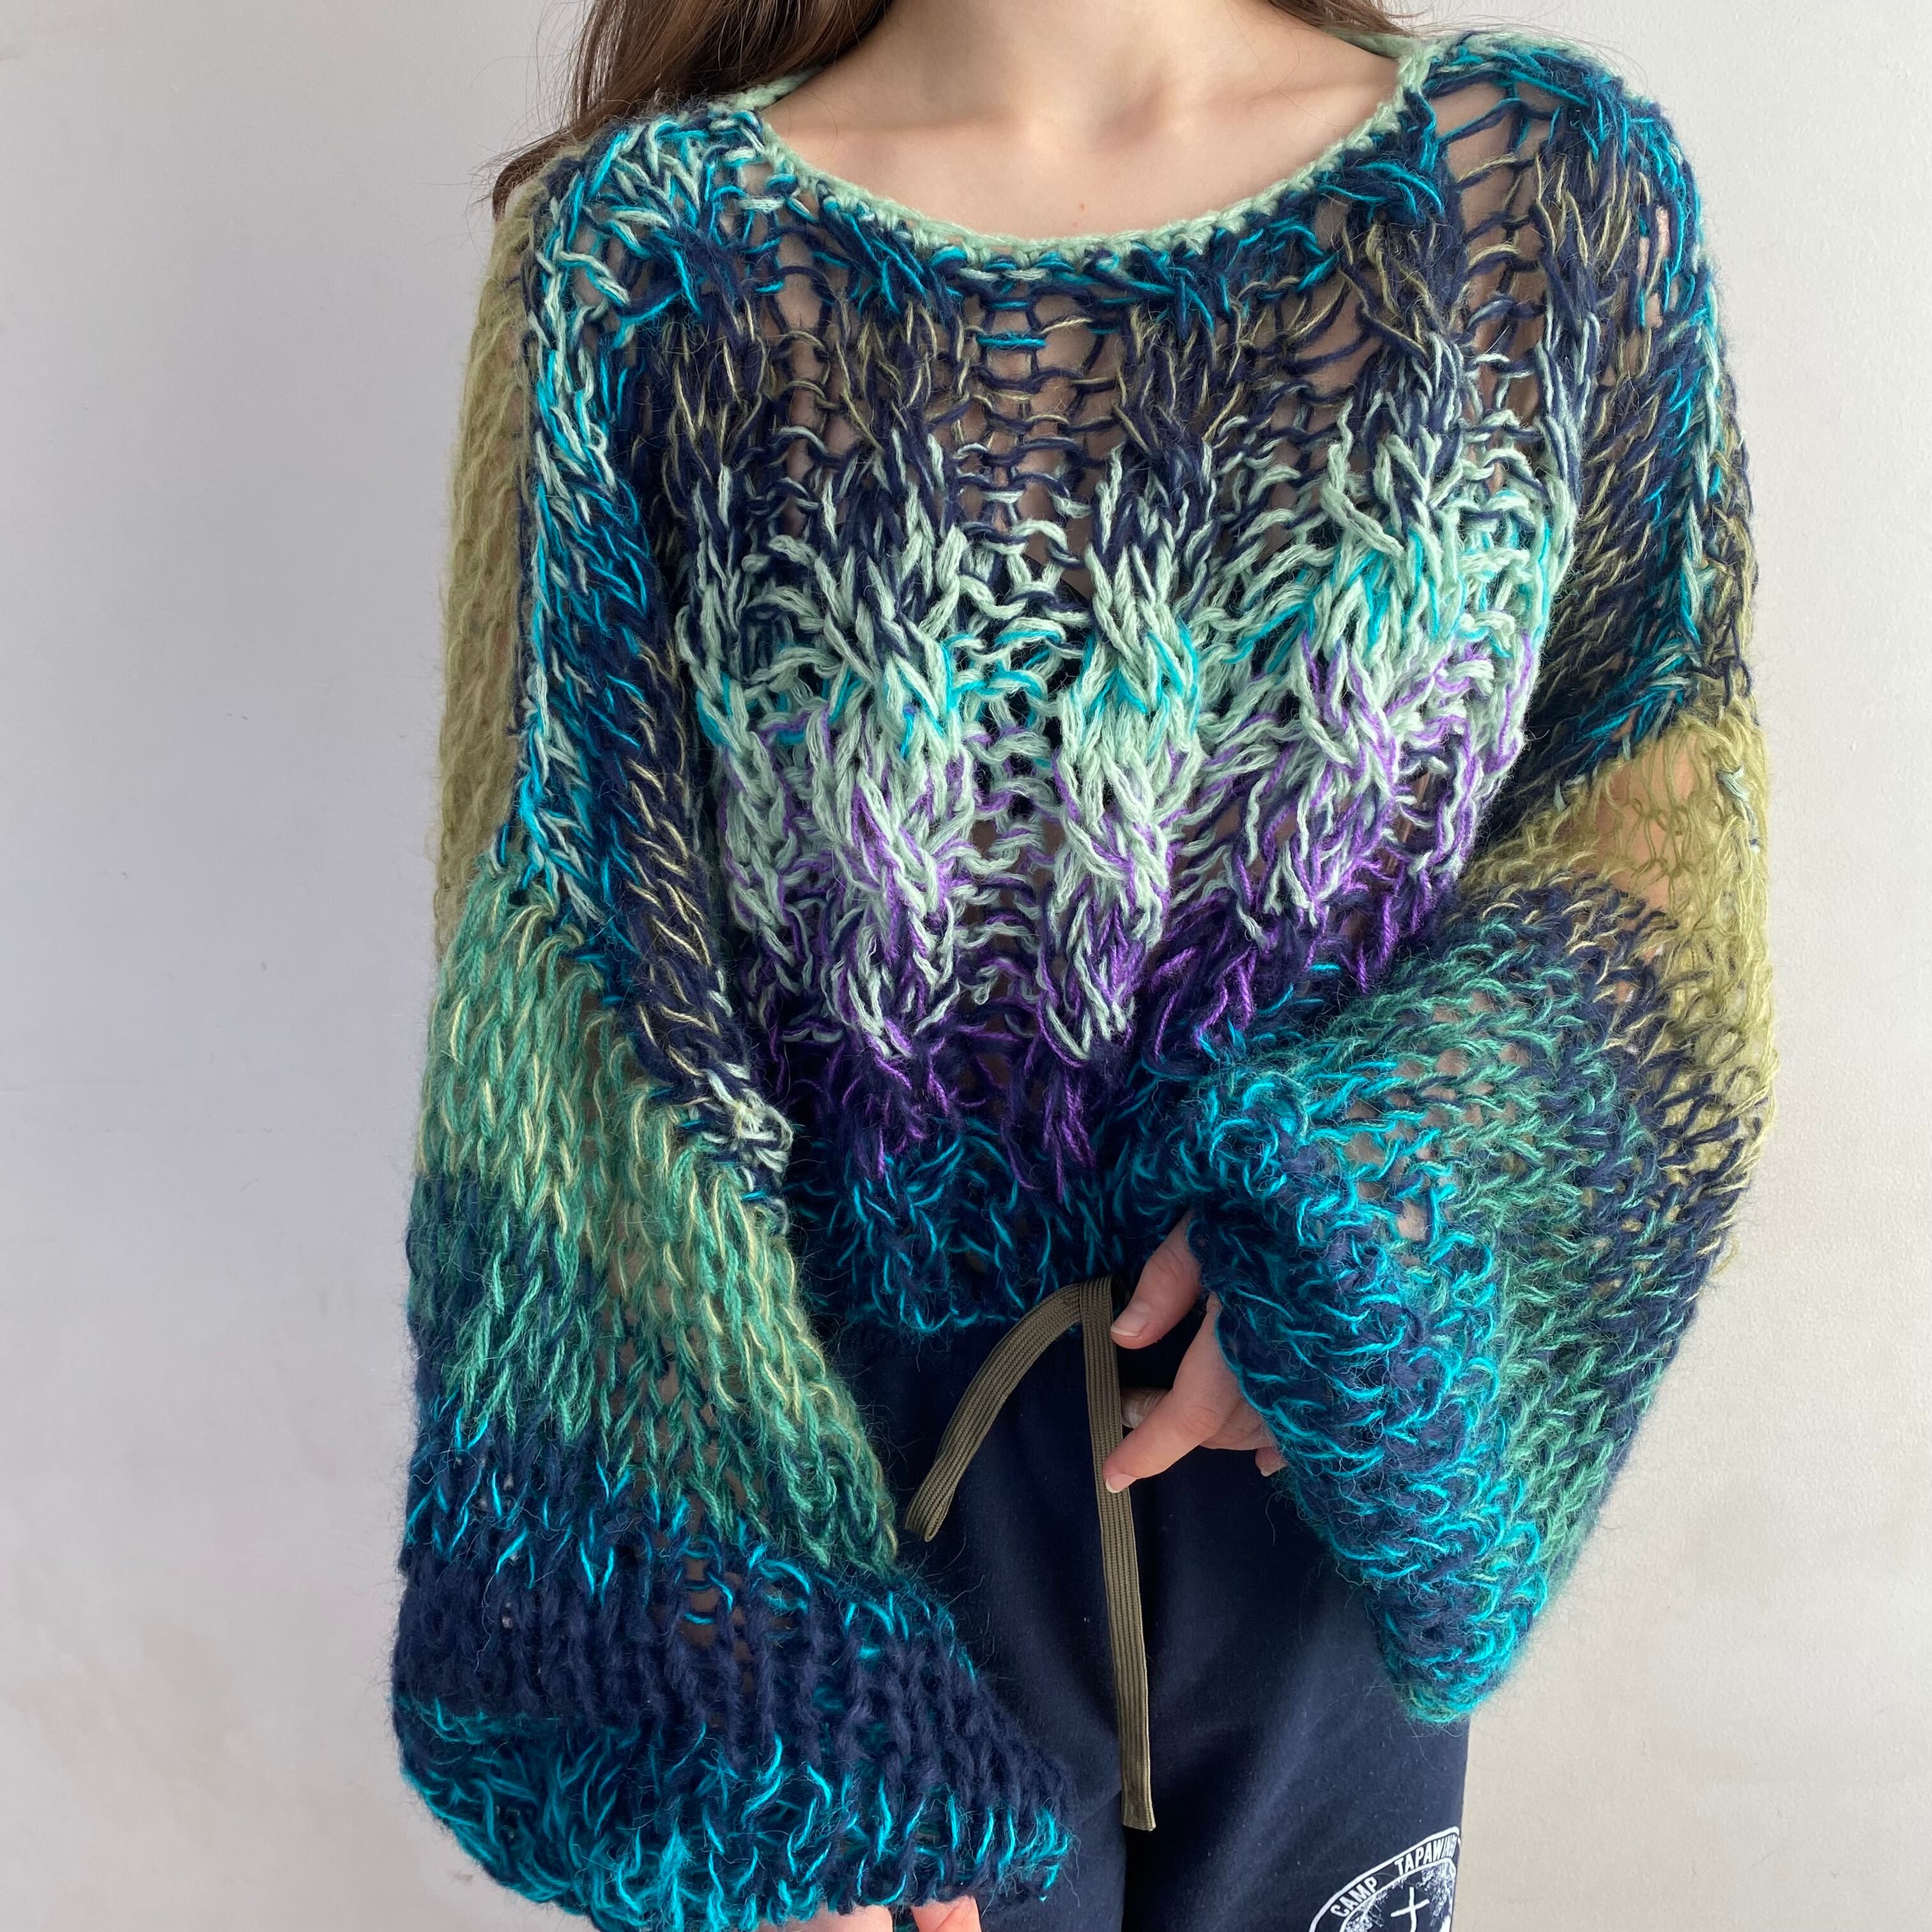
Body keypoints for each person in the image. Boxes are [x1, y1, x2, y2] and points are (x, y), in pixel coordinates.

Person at [388, 3, 1777, 1929]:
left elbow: (1662, 838)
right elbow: (557, 989)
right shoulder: (646, 271)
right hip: (850, 1567)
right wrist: (744, 1718)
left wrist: (1383, 1237)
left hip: (1319, 1517)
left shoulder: (1534, 204)